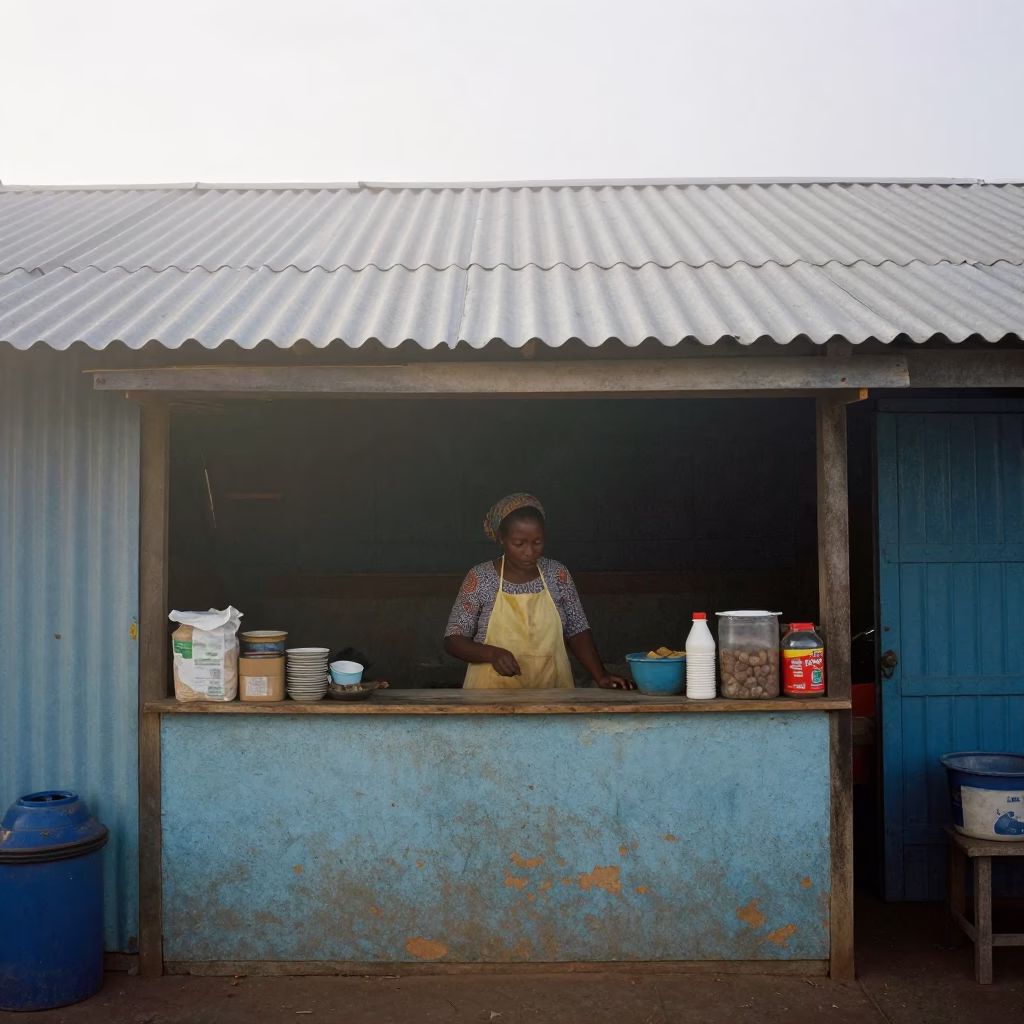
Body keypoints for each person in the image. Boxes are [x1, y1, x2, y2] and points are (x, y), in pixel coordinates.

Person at [443, 493, 635, 690]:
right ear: (501, 539)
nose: (529, 552)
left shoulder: (557, 574)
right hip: (491, 696)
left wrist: (600, 675)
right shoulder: (481, 577)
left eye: (537, 542)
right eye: (519, 544)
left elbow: (577, 631)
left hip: (553, 692)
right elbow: (453, 640)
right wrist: (492, 654)